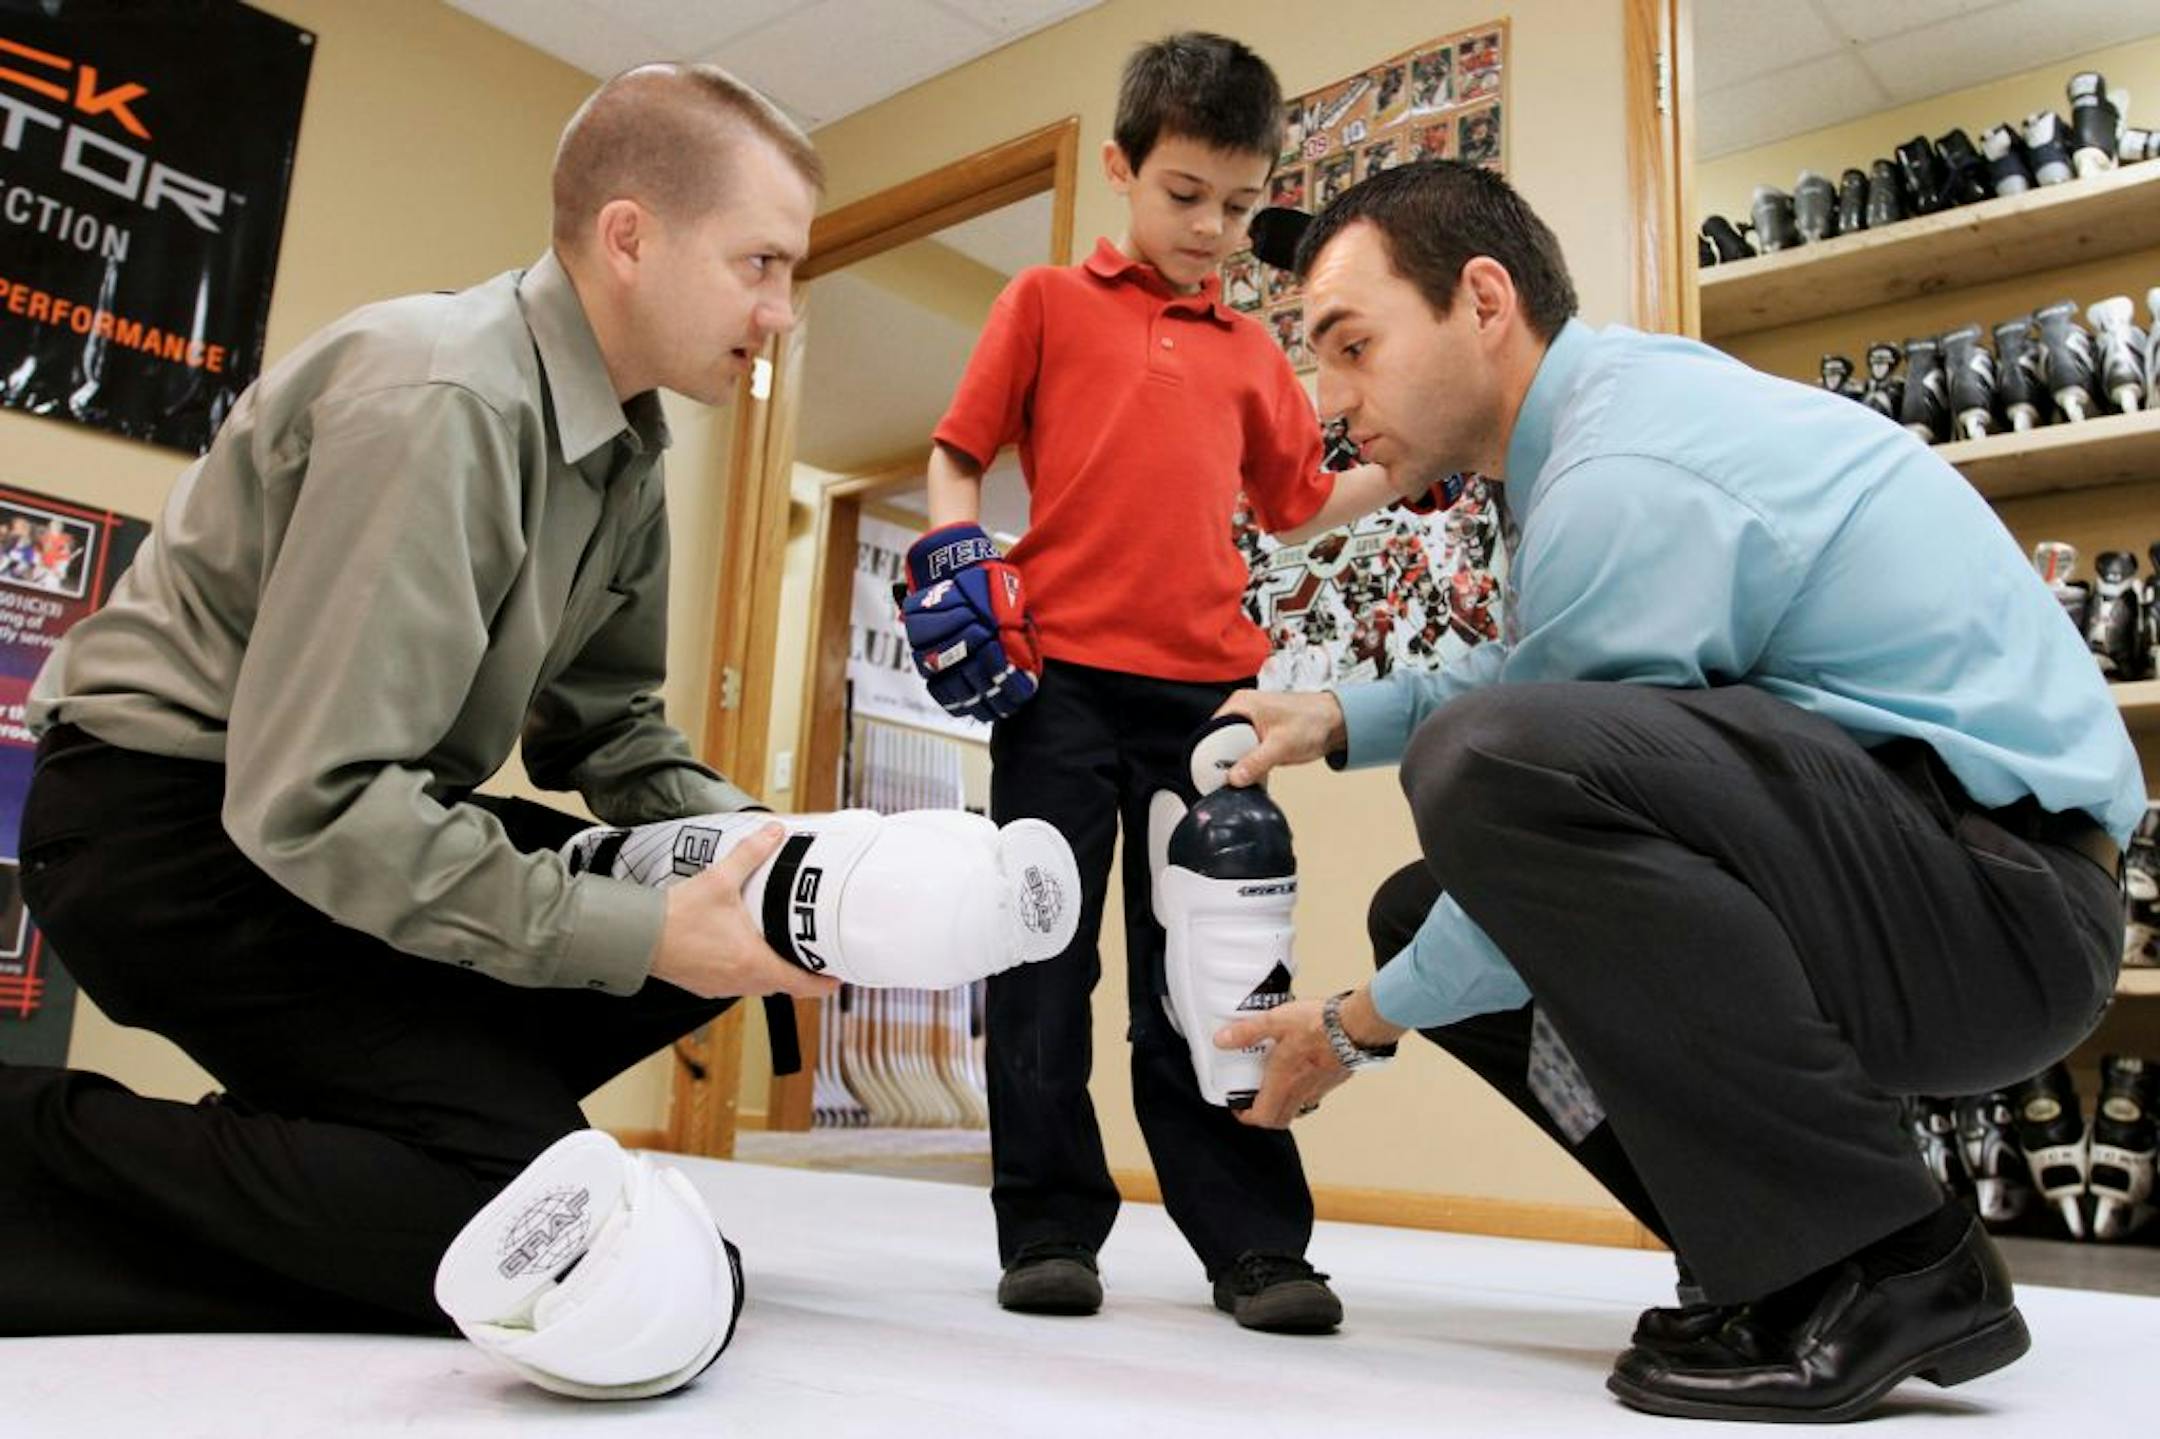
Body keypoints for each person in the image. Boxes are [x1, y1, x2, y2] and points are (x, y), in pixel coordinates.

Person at [1214, 160, 2138, 1422]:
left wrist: (1354, 1025)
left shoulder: (1617, 471)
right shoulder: (1594, 437)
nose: (1331, 401)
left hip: (1998, 907)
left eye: (1353, 346)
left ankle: (1890, 1260)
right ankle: (1777, 1244)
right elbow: (1543, 691)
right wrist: (1335, 715)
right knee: (1421, 899)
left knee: (1481, 778)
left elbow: (1517, 751)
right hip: (1926, 882)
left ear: (1484, 299)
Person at [0, 63, 838, 1336]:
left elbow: (606, 732)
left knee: (725, 898)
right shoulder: (445, 397)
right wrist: (642, 931)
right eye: (760, 264)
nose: (780, 312)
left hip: (314, 821)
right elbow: (314, 802)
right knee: (531, 1236)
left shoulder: (621, 447)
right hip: (165, 833)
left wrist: (798, 862)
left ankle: (414, 1126)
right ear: (630, 237)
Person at [899, 33, 1420, 1332]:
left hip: (1205, 705)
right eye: (1187, 194)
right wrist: (951, 546)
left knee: (1215, 973)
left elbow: (1297, 506)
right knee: (1040, 959)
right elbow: (957, 453)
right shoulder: (1041, 303)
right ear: (1123, 169)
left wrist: (1411, 462)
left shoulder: (1250, 348)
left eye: (1241, 206)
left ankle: (1253, 1242)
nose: (1214, 227)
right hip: (1056, 689)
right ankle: (1049, 1225)